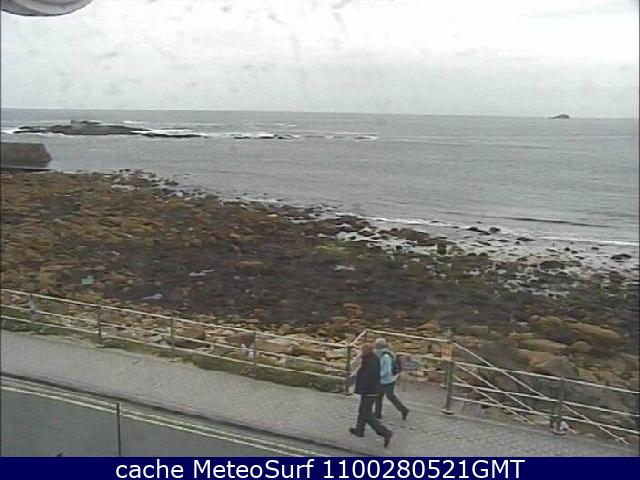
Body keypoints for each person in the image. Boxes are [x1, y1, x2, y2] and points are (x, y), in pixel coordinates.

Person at [349, 343, 393, 447]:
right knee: (363, 410)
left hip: (370, 391)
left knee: (366, 413)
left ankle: (385, 432)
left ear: (365, 351)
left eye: (361, 350)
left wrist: (359, 386)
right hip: (371, 390)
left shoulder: (370, 361)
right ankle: (359, 430)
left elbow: (367, 377)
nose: (360, 352)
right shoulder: (371, 359)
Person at [374, 337, 409, 420]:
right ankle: (377, 413)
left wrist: (377, 375)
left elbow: (386, 370)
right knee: (378, 396)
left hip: (388, 381)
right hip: (383, 380)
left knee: (390, 396)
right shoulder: (380, 354)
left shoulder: (385, 356)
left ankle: (404, 410)